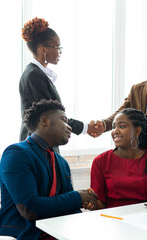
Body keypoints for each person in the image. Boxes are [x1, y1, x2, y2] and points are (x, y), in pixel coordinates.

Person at [0, 99, 98, 239]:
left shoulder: (61, 162)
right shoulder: (17, 153)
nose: (69, 127)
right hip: (24, 234)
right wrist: (78, 197)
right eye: (64, 120)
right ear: (44, 121)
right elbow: (30, 209)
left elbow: (69, 206)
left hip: (57, 232)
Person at [19, 17, 100, 152]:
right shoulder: (34, 75)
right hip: (37, 147)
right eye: (57, 47)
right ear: (43, 49)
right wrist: (85, 128)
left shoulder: (39, 74)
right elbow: (50, 115)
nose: (60, 52)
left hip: (43, 145)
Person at [90, 108, 147, 209]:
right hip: (111, 220)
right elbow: (99, 204)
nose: (115, 131)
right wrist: (90, 203)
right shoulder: (100, 161)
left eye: (122, 126)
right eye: (114, 127)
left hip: (144, 219)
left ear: (137, 131)